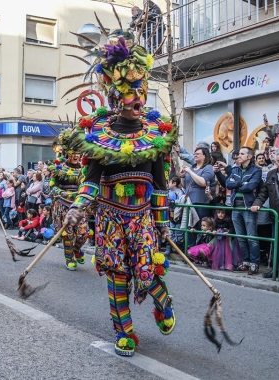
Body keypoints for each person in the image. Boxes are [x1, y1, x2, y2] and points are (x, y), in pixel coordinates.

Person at [63, 28, 177, 357]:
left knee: (145, 272)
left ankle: (163, 302)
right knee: (116, 276)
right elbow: (91, 180)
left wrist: (162, 223)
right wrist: (78, 207)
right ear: (115, 95)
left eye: (140, 92)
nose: (138, 100)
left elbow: (159, 184)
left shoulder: (156, 133)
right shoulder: (99, 134)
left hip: (141, 218)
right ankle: (124, 332)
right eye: (131, 93)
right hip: (110, 217)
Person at [48, 132, 89, 270]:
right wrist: (62, 193)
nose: (76, 155)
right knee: (68, 234)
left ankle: (77, 250)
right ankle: (69, 258)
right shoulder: (59, 168)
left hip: (79, 206)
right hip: (64, 205)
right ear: (67, 153)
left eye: (78, 152)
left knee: (83, 234)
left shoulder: (85, 170)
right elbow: (52, 186)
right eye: (73, 152)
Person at [226, 147, 263, 275]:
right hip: (235, 206)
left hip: (248, 206)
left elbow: (251, 186)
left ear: (249, 156)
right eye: (238, 153)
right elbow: (228, 184)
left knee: (252, 236)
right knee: (241, 237)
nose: (238, 156)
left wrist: (237, 184)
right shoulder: (235, 169)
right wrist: (242, 183)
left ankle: (254, 263)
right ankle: (245, 262)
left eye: (242, 154)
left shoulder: (256, 170)